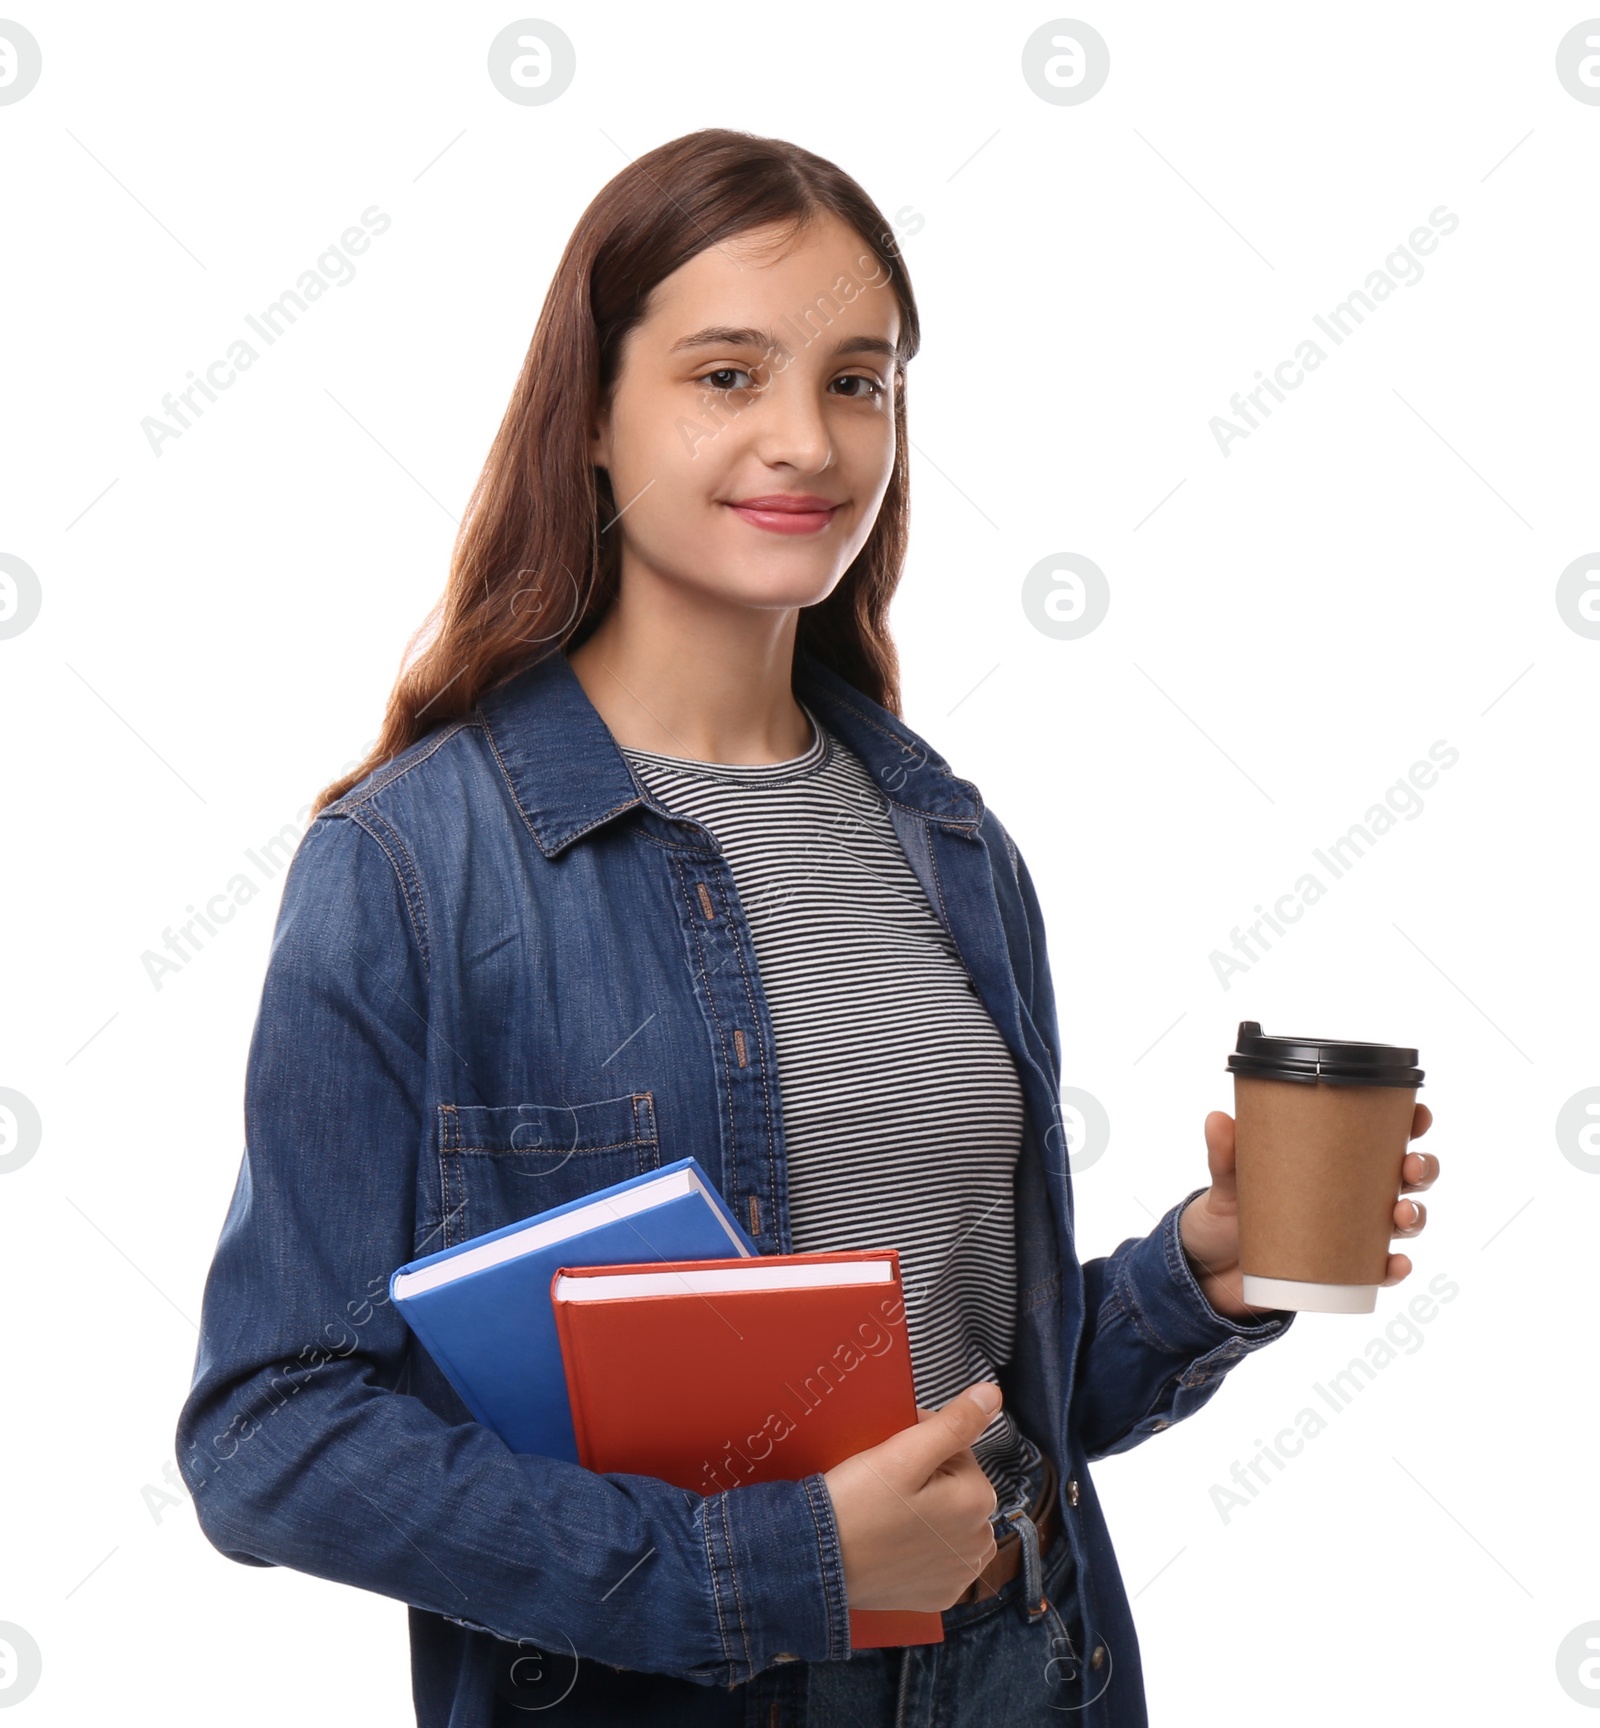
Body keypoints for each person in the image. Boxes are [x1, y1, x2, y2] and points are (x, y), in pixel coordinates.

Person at [175, 128, 1439, 1727]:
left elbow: (983, 1403)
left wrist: (1206, 1274)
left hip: (1031, 1674)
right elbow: (270, 1436)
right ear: (591, 417)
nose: (808, 441)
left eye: (860, 381)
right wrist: (770, 1569)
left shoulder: (950, 841)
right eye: (725, 375)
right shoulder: (414, 864)